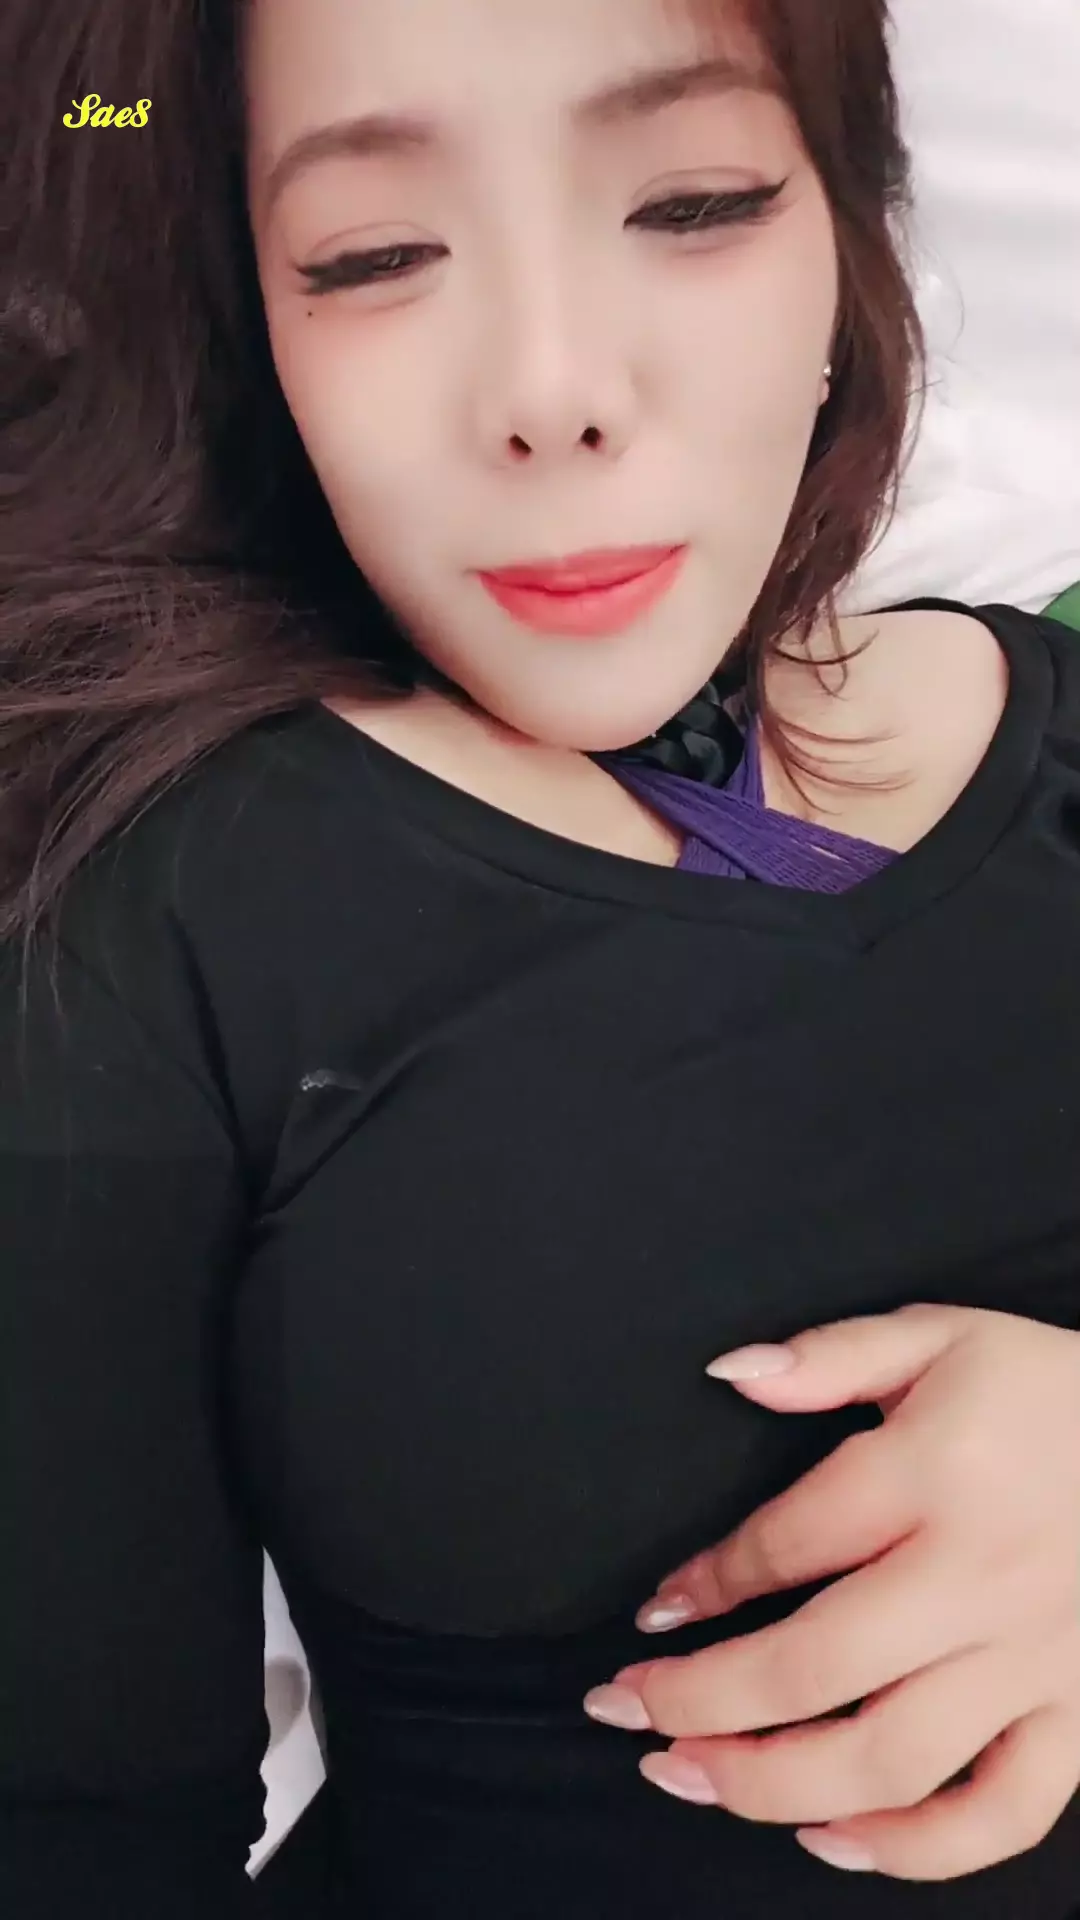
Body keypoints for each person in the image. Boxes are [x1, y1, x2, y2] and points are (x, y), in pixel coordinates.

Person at [1, 3, 1078, 1918]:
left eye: (693, 203)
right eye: (375, 255)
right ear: (241, 317)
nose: (553, 390)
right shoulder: (145, 917)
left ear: (849, 221)